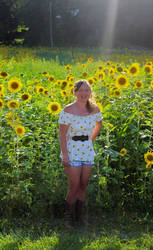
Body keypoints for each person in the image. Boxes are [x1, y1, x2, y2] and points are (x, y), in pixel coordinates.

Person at [58, 79, 102, 229]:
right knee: (74, 186)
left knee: (83, 185)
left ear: (90, 92)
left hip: (87, 151)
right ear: (75, 92)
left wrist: (90, 140)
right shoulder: (67, 110)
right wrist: (65, 155)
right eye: (81, 90)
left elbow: (99, 125)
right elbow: (62, 134)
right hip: (71, 151)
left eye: (86, 90)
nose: (84, 93)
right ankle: (68, 217)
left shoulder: (95, 109)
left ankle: (80, 217)